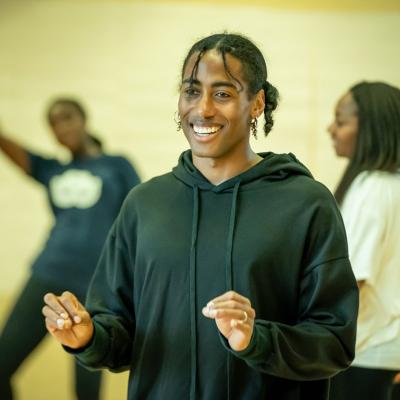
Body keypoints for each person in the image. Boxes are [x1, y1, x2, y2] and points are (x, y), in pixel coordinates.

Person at [42, 33, 358, 400]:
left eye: (222, 93)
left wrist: (256, 340)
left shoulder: (306, 203)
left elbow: (335, 342)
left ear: (256, 104)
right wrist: (88, 338)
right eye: (192, 91)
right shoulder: (145, 205)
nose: (203, 108)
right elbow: (120, 334)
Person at [0, 97, 140, 400]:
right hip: (47, 275)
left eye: (66, 118)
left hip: (94, 285)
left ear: (83, 119)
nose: (61, 127)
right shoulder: (52, 170)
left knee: (86, 388)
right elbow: (11, 148)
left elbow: (139, 221)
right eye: (53, 123)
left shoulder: (117, 166)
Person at [327, 81, 400, 400]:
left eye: (341, 121)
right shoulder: (390, 185)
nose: (331, 128)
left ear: (369, 128)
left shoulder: (373, 188)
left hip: (368, 351)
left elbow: (350, 280)